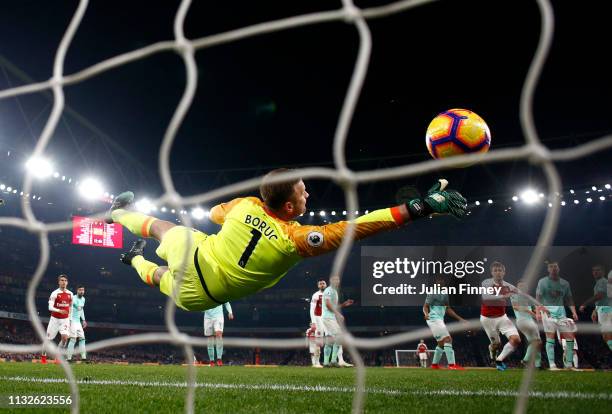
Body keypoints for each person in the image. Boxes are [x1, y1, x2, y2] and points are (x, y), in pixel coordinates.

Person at [107, 170, 467, 311]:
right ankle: (134, 261)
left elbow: (217, 213)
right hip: (202, 298)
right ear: (291, 205)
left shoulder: (244, 204)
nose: (308, 194)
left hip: (196, 253)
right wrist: (417, 208)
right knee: (157, 277)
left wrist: (234, 213)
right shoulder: (294, 239)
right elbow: (357, 226)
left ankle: (119, 214)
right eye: (303, 191)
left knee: (160, 227)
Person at [479, 261, 522, 371]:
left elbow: (521, 293)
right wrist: (504, 295)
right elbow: (486, 297)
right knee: (496, 345)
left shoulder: (508, 285)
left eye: (500, 270)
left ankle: (499, 360)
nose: (498, 272)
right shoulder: (486, 283)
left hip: (502, 317)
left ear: (504, 272)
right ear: (492, 272)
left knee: (516, 340)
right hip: (487, 319)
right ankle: (492, 352)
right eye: (495, 270)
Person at [536, 261, 578, 370]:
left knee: (569, 337)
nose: (553, 268)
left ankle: (569, 365)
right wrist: (538, 312)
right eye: (551, 267)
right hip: (547, 313)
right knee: (550, 338)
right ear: (548, 269)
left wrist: (574, 312)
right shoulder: (542, 282)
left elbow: (569, 299)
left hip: (561, 314)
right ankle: (552, 365)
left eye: (555, 266)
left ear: (558, 268)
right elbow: (538, 299)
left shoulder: (565, 283)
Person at [423, 282, 467, 370]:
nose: (441, 282)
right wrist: (426, 314)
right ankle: (452, 365)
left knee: (441, 343)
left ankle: (434, 365)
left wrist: (460, 319)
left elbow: (448, 309)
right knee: (448, 339)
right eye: (439, 281)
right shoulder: (432, 293)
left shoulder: (445, 293)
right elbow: (425, 306)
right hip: (433, 318)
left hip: (439, 319)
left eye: (443, 281)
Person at [510, 280, 543, 369]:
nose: (522, 288)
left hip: (528, 321)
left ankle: (538, 365)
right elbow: (515, 307)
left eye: (524, 286)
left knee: (536, 343)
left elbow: (534, 307)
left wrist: (536, 312)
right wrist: (531, 312)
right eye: (520, 286)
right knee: (537, 342)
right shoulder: (514, 295)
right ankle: (525, 360)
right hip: (524, 320)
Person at [579, 265, 612, 352]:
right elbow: (604, 298)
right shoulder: (600, 283)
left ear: (603, 272)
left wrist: (585, 304)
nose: (595, 272)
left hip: (606, 310)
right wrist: (595, 310)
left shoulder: (602, 281)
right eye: (594, 270)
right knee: (606, 335)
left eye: (598, 270)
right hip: (605, 309)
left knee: (607, 335)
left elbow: (599, 296)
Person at [42, 275, 73, 364]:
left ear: (67, 282)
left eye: (65, 280)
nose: (64, 282)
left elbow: (70, 307)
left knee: (65, 338)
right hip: (54, 319)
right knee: (48, 340)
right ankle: (43, 357)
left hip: (65, 320)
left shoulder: (70, 294)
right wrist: (59, 310)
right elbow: (50, 307)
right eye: (62, 280)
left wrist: (70, 319)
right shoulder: (54, 293)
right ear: (59, 282)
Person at [66, 286, 87, 362]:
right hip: (72, 321)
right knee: (73, 339)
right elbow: (73, 306)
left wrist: (83, 320)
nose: (82, 291)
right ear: (77, 290)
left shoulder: (83, 299)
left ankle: (84, 358)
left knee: (82, 338)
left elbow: (81, 310)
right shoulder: (73, 298)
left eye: (83, 290)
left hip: (78, 321)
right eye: (80, 290)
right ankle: (68, 358)